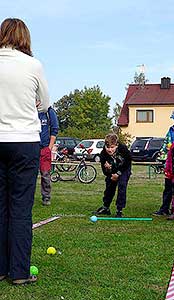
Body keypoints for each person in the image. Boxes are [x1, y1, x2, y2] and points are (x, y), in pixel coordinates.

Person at [0, 18, 49, 284]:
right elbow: (45, 105)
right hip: (23, 141)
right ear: (25, 38)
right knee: (20, 208)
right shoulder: (33, 65)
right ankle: (18, 272)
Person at [93, 133, 132, 218]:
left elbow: (128, 161)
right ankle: (106, 207)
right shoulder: (103, 154)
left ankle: (119, 210)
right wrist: (109, 170)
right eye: (108, 147)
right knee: (109, 186)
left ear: (116, 145)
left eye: (112, 147)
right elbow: (104, 172)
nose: (110, 150)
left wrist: (118, 174)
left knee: (122, 185)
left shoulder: (123, 149)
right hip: (112, 171)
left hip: (124, 169)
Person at [38, 106, 59, 206]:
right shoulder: (28, 109)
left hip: (44, 148)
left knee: (45, 175)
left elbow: (54, 129)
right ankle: (25, 197)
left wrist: (49, 148)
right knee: (27, 175)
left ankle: (46, 197)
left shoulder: (49, 111)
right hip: (30, 148)